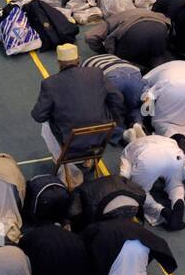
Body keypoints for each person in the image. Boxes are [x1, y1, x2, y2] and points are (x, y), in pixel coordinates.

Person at [30, 43, 123, 186]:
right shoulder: (96, 73)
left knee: (46, 124)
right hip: (101, 136)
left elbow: (38, 115)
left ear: (59, 62)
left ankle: (66, 165)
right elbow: (117, 99)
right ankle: (88, 159)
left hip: (72, 142)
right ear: (78, 59)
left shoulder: (50, 84)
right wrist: (111, 121)